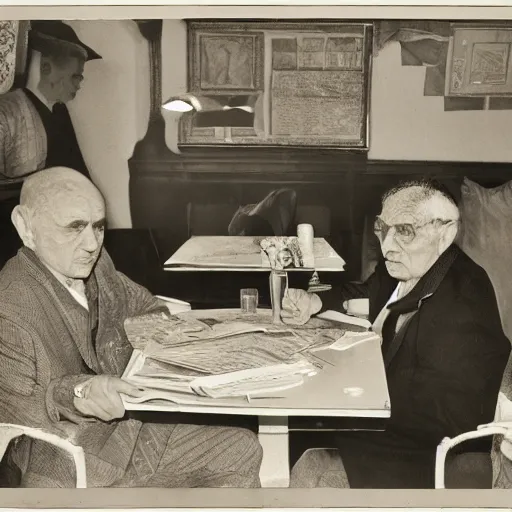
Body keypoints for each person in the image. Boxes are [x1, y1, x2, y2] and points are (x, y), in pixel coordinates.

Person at [0, 167, 263, 488]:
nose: (92, 243)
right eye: (75, 227)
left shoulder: (92, 263)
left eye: (99, 227)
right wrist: (80, 392)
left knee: (241, 447)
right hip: (69, 462)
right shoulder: (9, 306)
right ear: (25, 226)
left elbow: (143, 306)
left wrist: (185, 338)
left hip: (124, 431)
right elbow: (19, 411)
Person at [293, 179, 511, 488]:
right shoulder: (406, 264)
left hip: (425, 454)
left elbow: (449, 416)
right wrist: (316, 300)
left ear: (445, 234)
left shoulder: (464, 300)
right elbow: (367, 292)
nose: (387, 245)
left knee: (307, 466)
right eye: (384, 228)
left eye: (405, 231)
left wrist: (352, 394)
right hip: (389, 421)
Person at [0, 20, 100, 266]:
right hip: (14, 237)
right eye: (75, 76)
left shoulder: (60, 114)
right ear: (46, 68)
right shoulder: (8, 111)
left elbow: (78, 177)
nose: (79, 84)